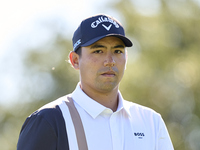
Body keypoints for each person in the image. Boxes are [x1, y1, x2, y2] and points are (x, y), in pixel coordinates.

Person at [17, 14, 174, 150]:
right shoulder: (49, 121)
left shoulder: (151, 121)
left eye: (117, 51)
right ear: (75, 60)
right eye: (98, 51)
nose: (109, 61)